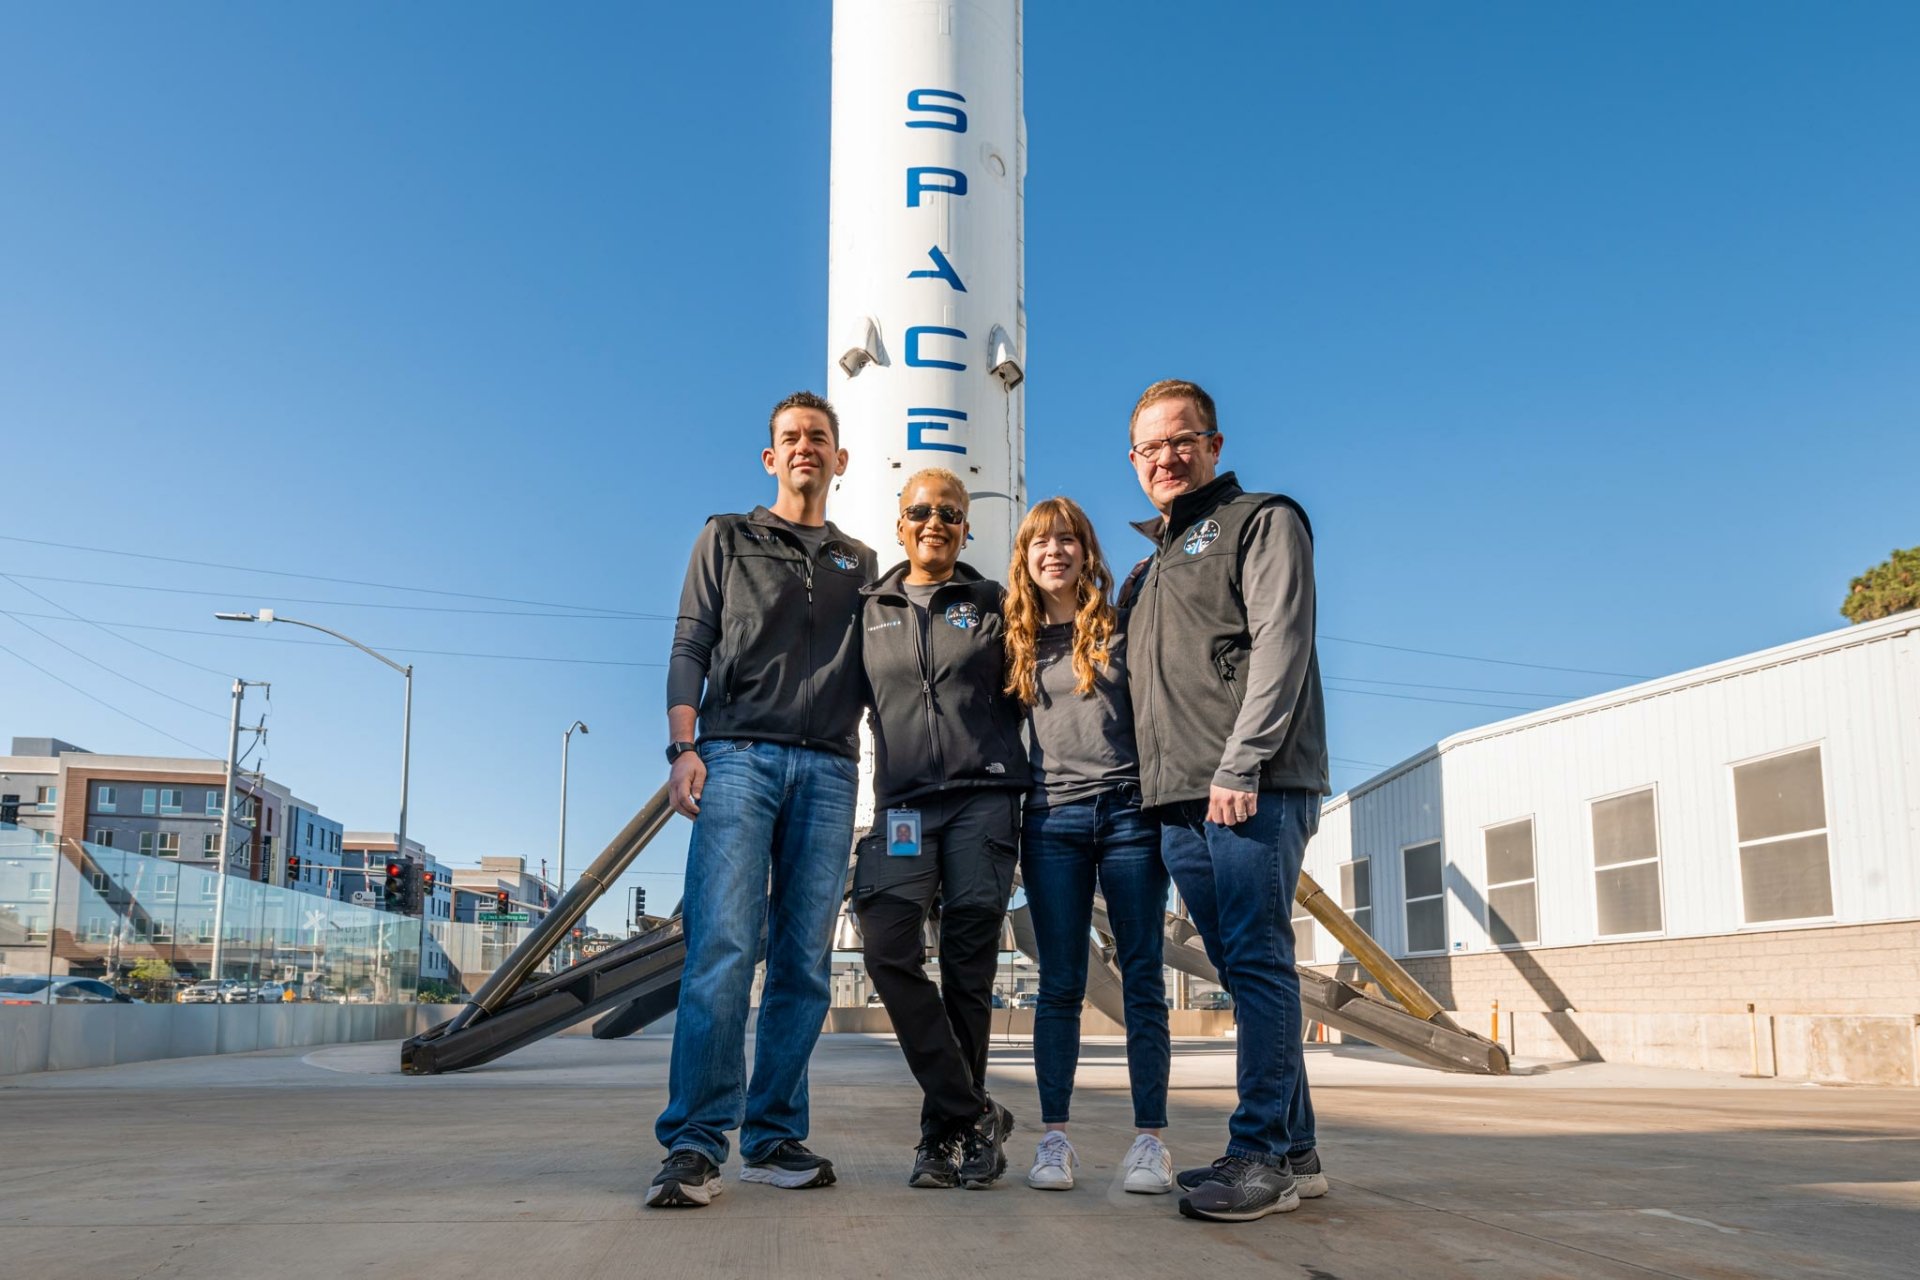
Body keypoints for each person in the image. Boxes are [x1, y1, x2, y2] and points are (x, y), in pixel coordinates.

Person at [647, 391, 877, 1209]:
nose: (805, 447)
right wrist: (685, 747)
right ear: (771, 458)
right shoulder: (727, 536)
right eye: (791, 438)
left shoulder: (859, 561)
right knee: (722, 950)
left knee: (805, 966)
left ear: (840, 459)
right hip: (737, 756)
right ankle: (696, 1142)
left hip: (829, 772)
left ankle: (775, 1134)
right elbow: (690, 644)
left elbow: (877, 677)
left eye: (819, 437)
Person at [1119, 378, 1331, 1223]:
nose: (1166, 457)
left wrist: (1241, 764)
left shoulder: (1262, 520)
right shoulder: (1152, 565)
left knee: (1260, 962)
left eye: (1181, 439)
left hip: (1249, 788)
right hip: (1176, 801)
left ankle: (1259, 1155)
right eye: (1149, 448)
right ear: (1134, 462)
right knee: (1248, 975)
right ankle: (1299, 1151)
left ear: (1212, 443)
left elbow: (1282, 642)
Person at [853, 466, 1030, 1190]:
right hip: (902, 806)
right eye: (921, 511)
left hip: (983, 799)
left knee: (967, 966)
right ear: (900, 525)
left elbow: (1038, 688)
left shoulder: (992, 603)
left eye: (950, 514)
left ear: (966, 527)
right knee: (888, 947)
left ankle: (941, 1139)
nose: (936, 522)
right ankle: (972, 1111)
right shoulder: (867, 610)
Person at [1002, 497, 1174, 1194]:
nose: (1056, 552)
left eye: (1068, 540)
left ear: (1086, 551)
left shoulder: (1121, 628)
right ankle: (1054, 1140)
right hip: (1051, 823)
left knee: (1142, 977)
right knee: (1061, 984)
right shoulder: (1013, 642)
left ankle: (1150, 1142)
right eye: (1043, 542)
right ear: (1026, 556)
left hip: (1130, 815)